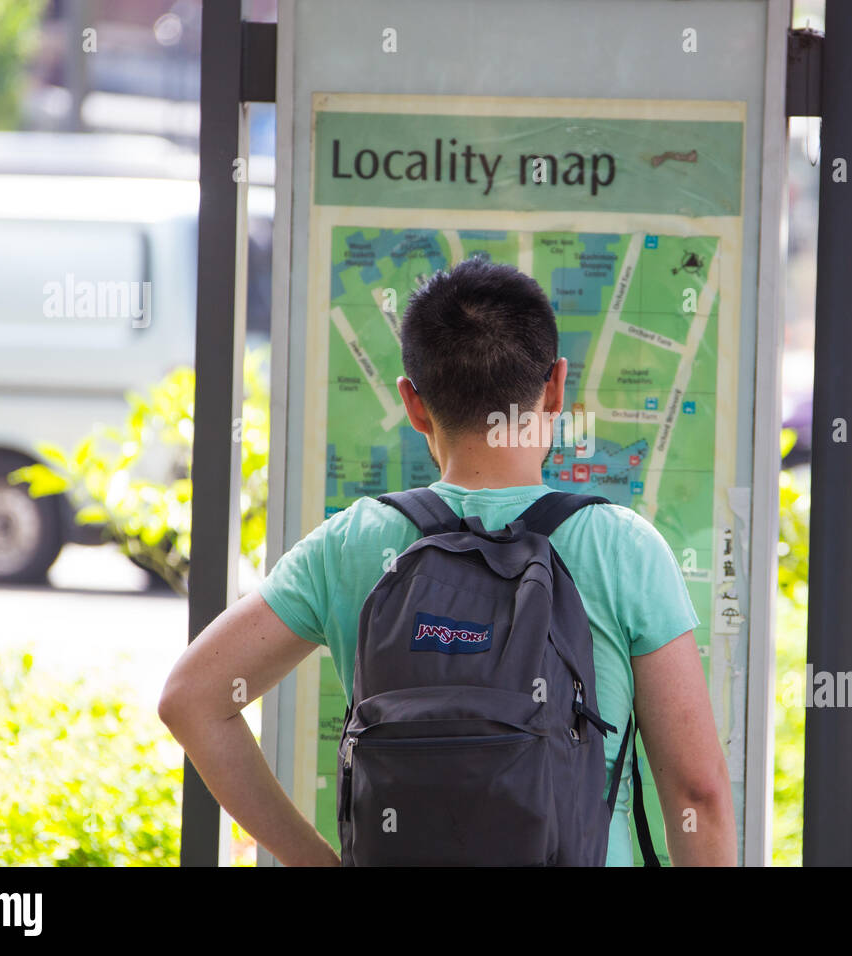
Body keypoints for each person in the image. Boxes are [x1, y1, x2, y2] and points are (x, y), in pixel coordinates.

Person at [159, 256, 735, 866]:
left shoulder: (356, 542)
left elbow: (191, 699)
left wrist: (315, 862)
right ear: (556, 388)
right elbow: (697, 793)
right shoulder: (621, 548)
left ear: (413, 403)